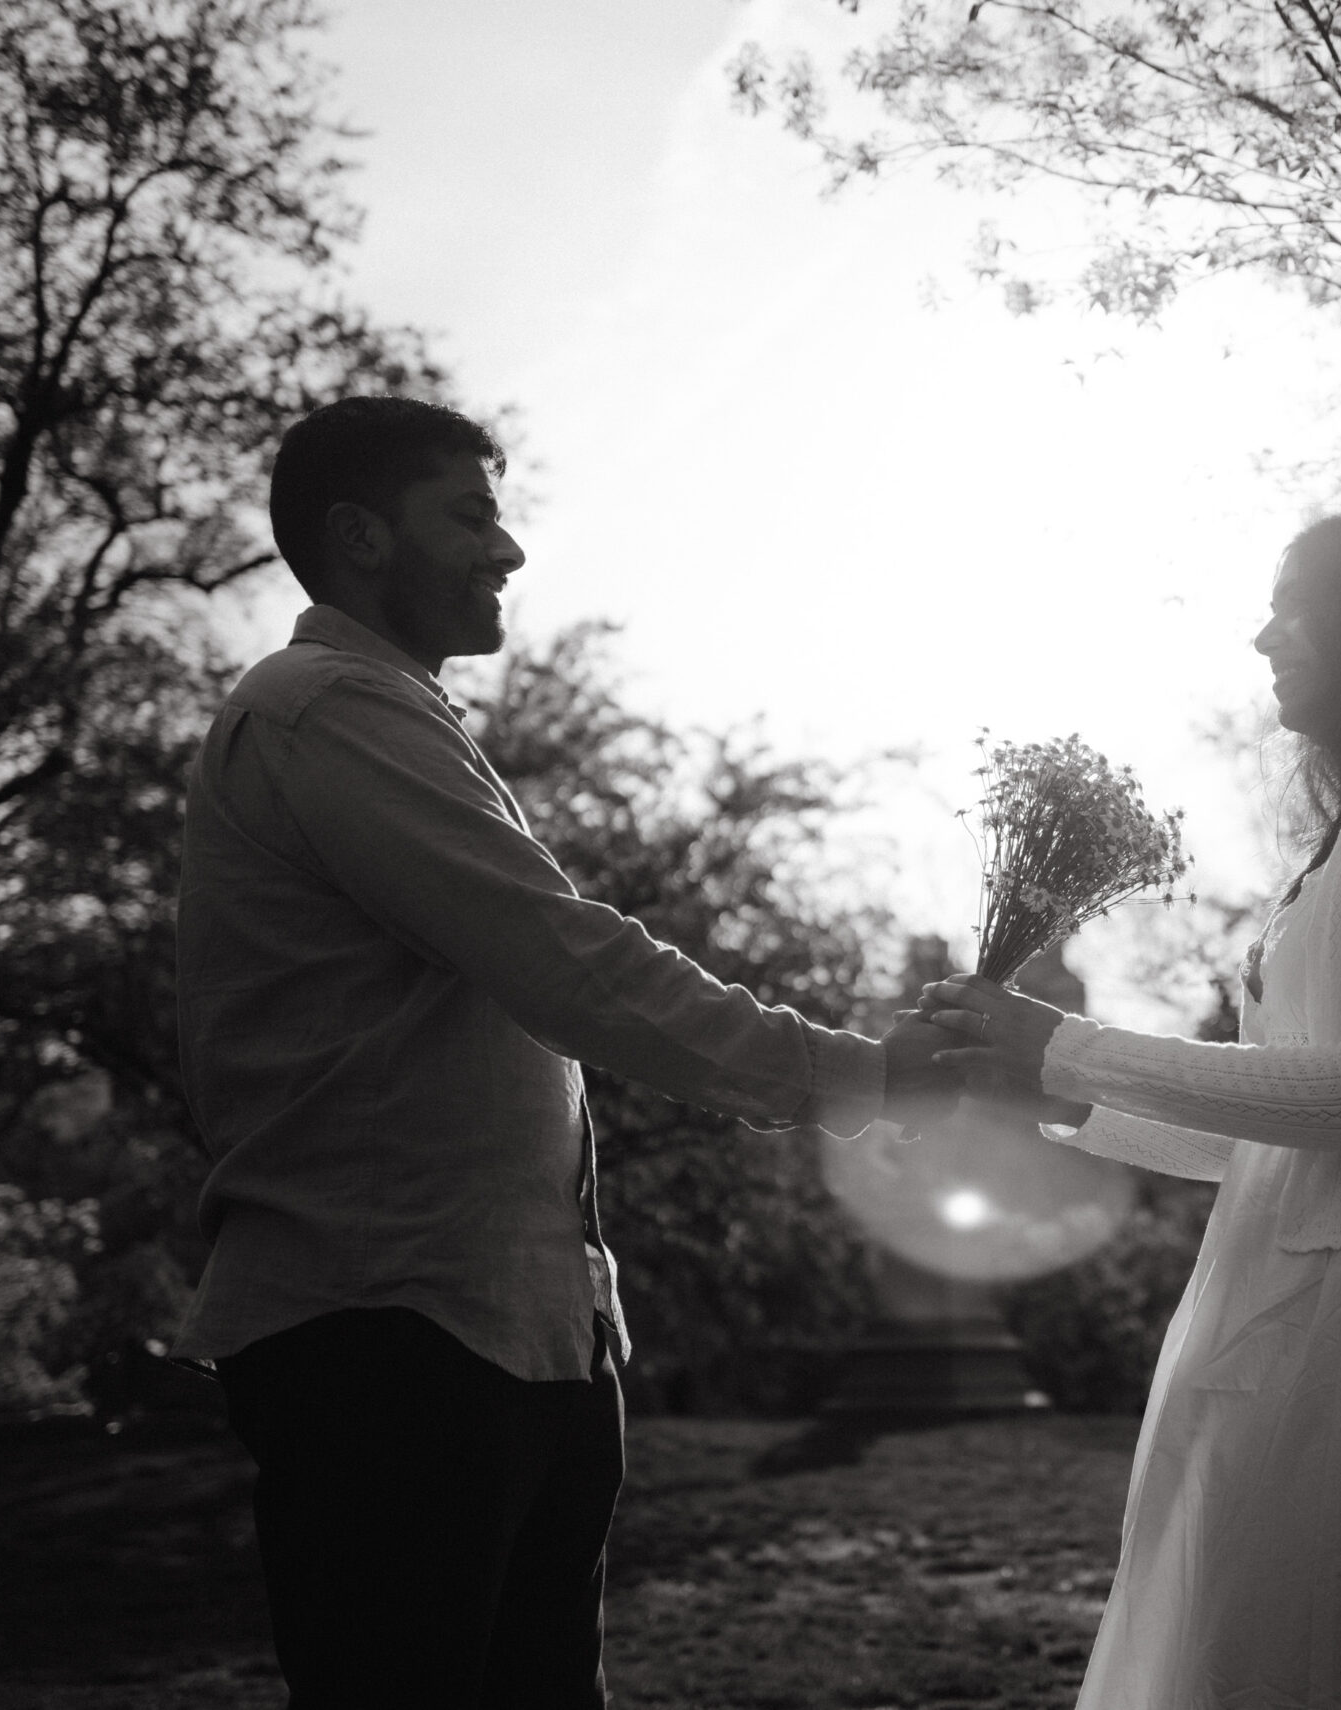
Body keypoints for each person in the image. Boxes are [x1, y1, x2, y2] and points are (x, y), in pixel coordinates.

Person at [171, 395, 957, 1709]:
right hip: (387, 1342)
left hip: (515, 1334)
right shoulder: (323, 709)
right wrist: (858, 1077)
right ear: (360, 538)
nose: (512, 548)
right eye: (470, 513)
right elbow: (566, 962)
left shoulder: (395, 716)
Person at [923, 512, 1341, 1710]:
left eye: (1295, 602)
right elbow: (1270, 1138)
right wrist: (1042, 1097)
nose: (1263, 632)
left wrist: (1066, 1043)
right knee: (1232, 1670)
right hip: (1298, 1310)